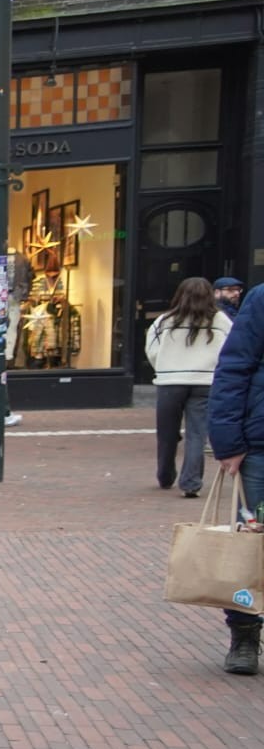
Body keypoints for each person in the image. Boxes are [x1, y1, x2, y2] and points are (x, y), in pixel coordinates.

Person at [209, 282, 264, 674]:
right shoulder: (261, 299)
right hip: (261, 447)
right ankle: (244, 634)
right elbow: (233, 367)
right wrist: (228, 441)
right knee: (251, 543)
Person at [149, 277, 230, 499]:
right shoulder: (220, 320)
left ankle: (165, 475)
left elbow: (152, 349)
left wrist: (163, 367)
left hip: (170, 382)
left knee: (167, 432)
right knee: (197, 433)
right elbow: (231, 347)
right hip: (205, 381)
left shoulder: (165, 320)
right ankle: (191, 483)